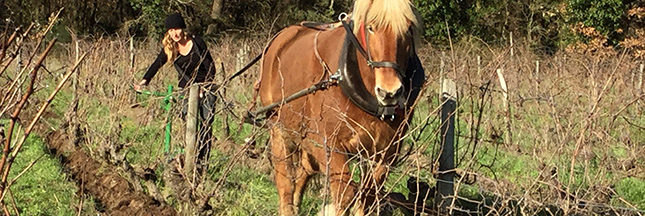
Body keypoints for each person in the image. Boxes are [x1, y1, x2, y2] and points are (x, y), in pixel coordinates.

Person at [134, 12, 216, 174]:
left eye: (177, 29)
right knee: (189, 124)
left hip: (206, 88)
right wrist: (144, 80)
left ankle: (202, 163)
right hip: (186, 90)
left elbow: (211, 67)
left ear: (183, 29)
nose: (175, 33)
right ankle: (190, 160)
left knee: (206, 125)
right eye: (171, 30)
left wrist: (204, 87)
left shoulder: (198, 43)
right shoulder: (170, 48)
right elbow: (156, 64)